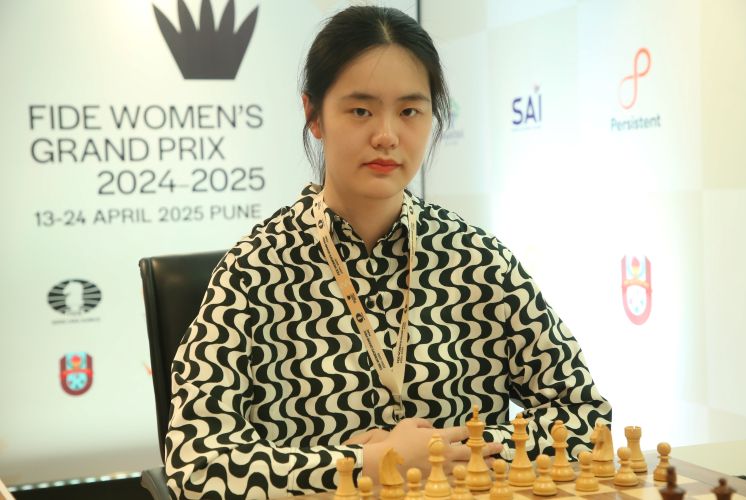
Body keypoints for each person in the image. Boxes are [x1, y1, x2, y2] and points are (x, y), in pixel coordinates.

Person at [165, 6, 612, 499]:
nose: (386, 135)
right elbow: (195, 464)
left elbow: (587, 417)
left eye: (409, 111)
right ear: (313, 115)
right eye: (361, 110)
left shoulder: (477, 262)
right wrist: (368, 464)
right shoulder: (254, 271)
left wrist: (453, 452)